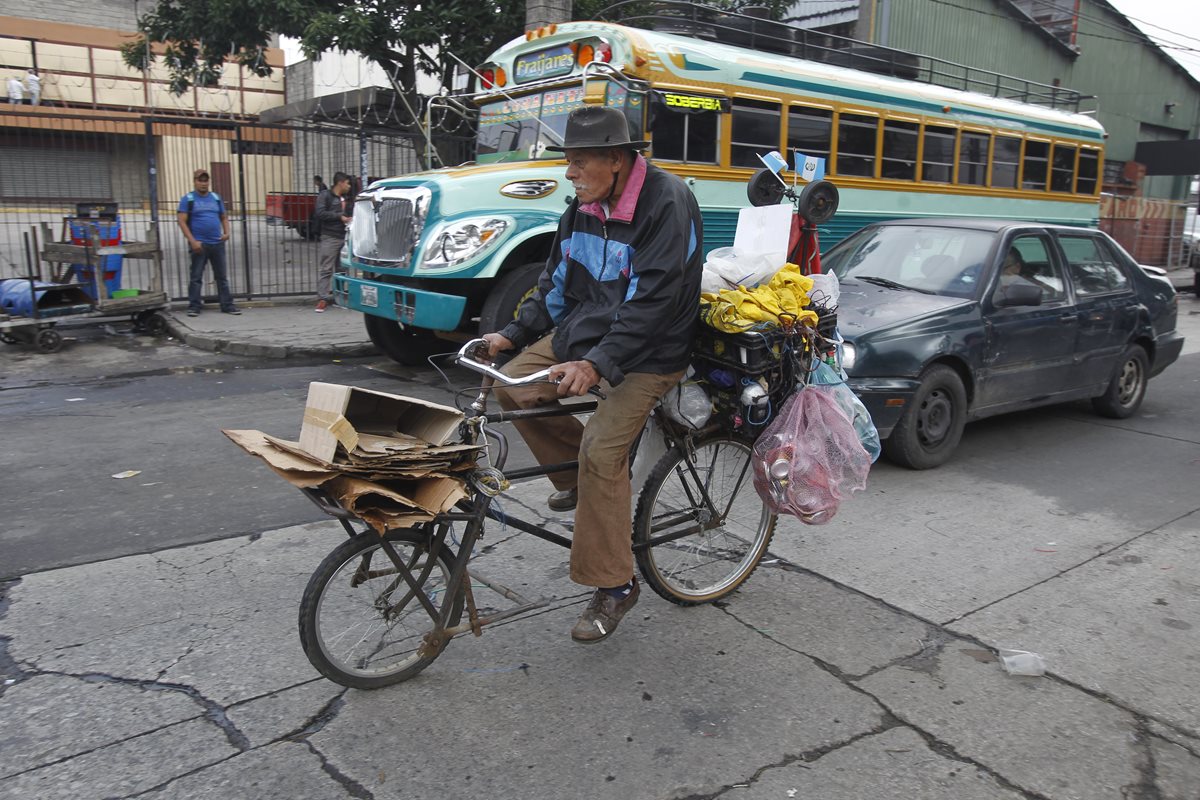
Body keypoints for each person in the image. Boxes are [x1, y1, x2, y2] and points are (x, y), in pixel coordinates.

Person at [481, 106, 704, 645]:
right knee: (514, 386)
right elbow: (555, 282)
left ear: (618, 160)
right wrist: (514, 331)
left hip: (651, 350)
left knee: (602, 453)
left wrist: (598, 363)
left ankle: (616, 585)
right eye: (570, 162)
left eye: (580, 162)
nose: (570, 173)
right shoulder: (580, 208)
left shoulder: (666, 204)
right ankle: (580, 486)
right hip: (586, 335)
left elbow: (651, 305)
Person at [177, 168, 240, 317]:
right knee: (196, 276)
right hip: (199, 244)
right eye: (200, 180)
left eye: (206, 180)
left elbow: (223, 217)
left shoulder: (216, 198)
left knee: (222, 277)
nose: (203, 183)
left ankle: (227, 305)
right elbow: (181, 221)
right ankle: (194, 306)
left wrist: (226, 233)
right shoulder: (188, 199)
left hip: (217, 243)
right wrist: (192, 241)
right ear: (194, 182)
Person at [313, 171, 352, 312]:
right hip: (330, 236)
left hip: (344, 236)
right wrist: (339, 217)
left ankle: (339, 297)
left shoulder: (346, 198)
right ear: (340, 183)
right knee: (326, 268)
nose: (349, 186)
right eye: (347, 183)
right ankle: (322, 298)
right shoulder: (325, 196)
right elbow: (320, 213)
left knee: (342, 269)